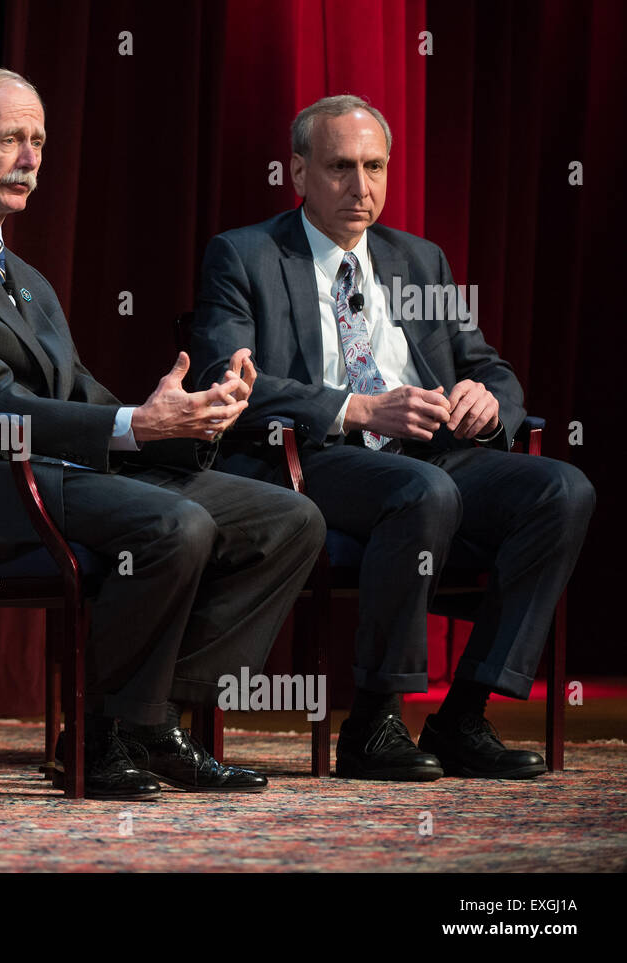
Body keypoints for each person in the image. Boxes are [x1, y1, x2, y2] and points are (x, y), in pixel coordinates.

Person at [0, 67, 326, 800]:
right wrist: (134, 424)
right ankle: (101, 729)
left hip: (56, 472)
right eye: (10, 138)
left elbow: (81, 396)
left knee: (287, 518)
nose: (32, 158)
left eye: (39, 140)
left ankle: (150, 718)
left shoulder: (27, 276)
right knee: (176, 524)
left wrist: (185, 416)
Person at [188, 94, 595, 780]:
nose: (362, 186)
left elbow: (488, 364)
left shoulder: (418, 260)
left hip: (433, 451)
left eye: (375, 166)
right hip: (314, 458)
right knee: (421, 490)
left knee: (562, 488)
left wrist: (487, 399)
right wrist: (358, 409)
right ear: (298, 172)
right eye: (341, 166)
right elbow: (231, 382)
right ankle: (374, 720)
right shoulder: (247, 255)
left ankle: (464, 712)